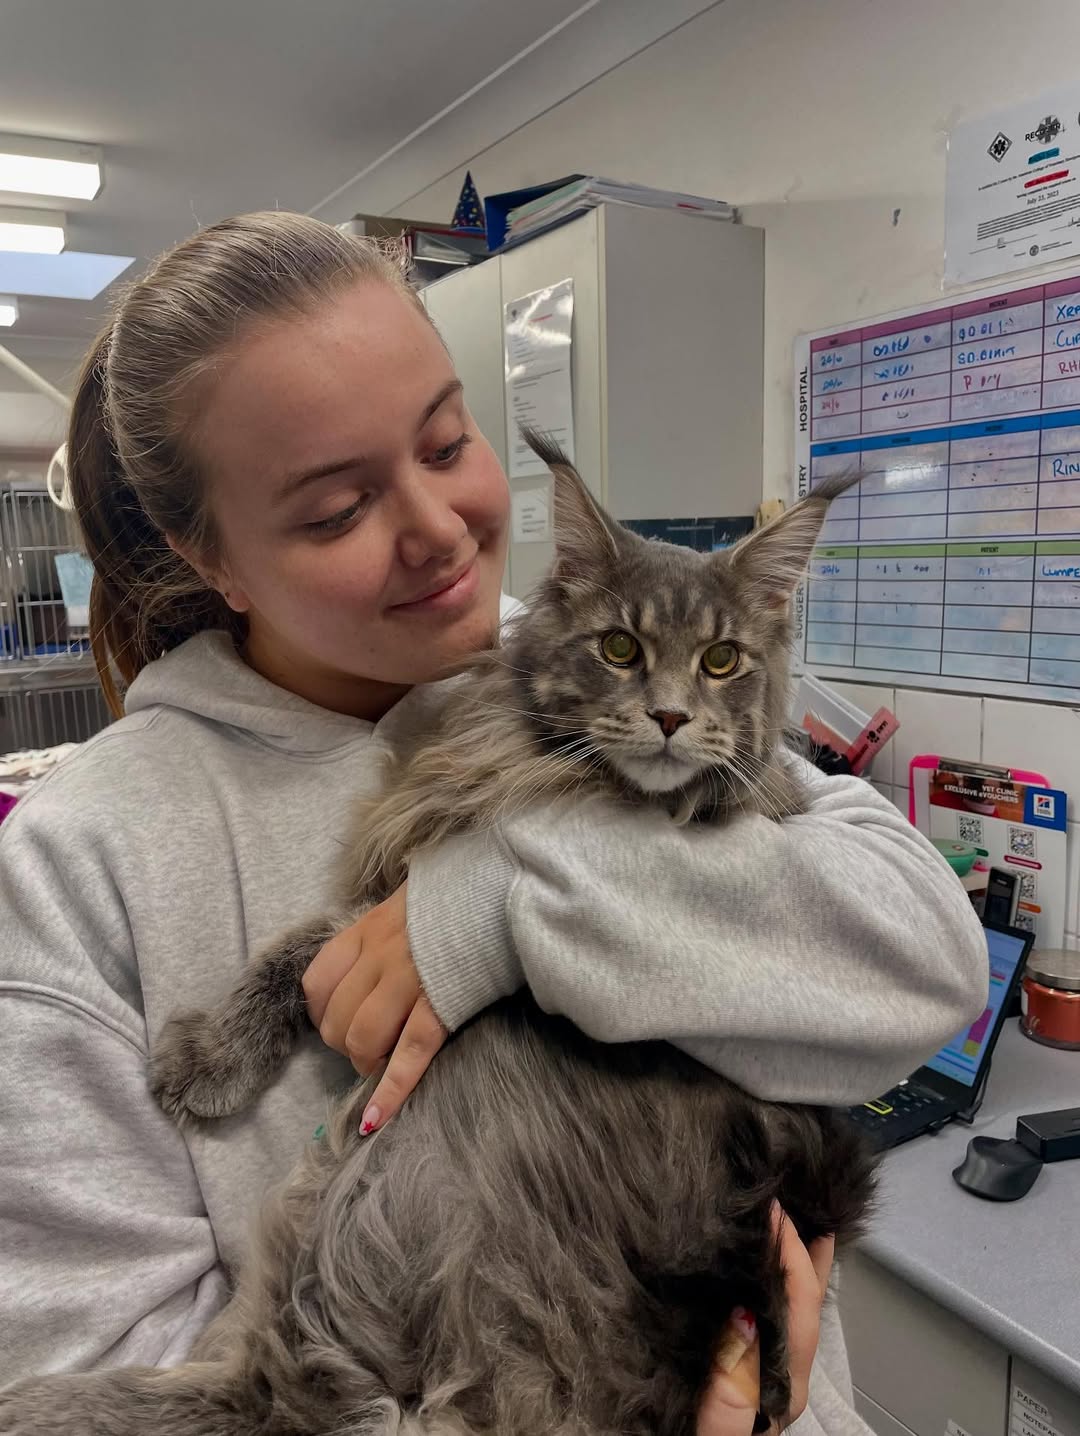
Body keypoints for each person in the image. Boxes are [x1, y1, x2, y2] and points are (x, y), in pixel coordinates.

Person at [0, 212, 987, 1433]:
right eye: (334, 507)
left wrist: (508, 898)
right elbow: (88, 1384)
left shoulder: (606, 676)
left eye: (445, 441)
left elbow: (926, 959)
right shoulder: (83, 858)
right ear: (216, 559)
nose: (438, 527)